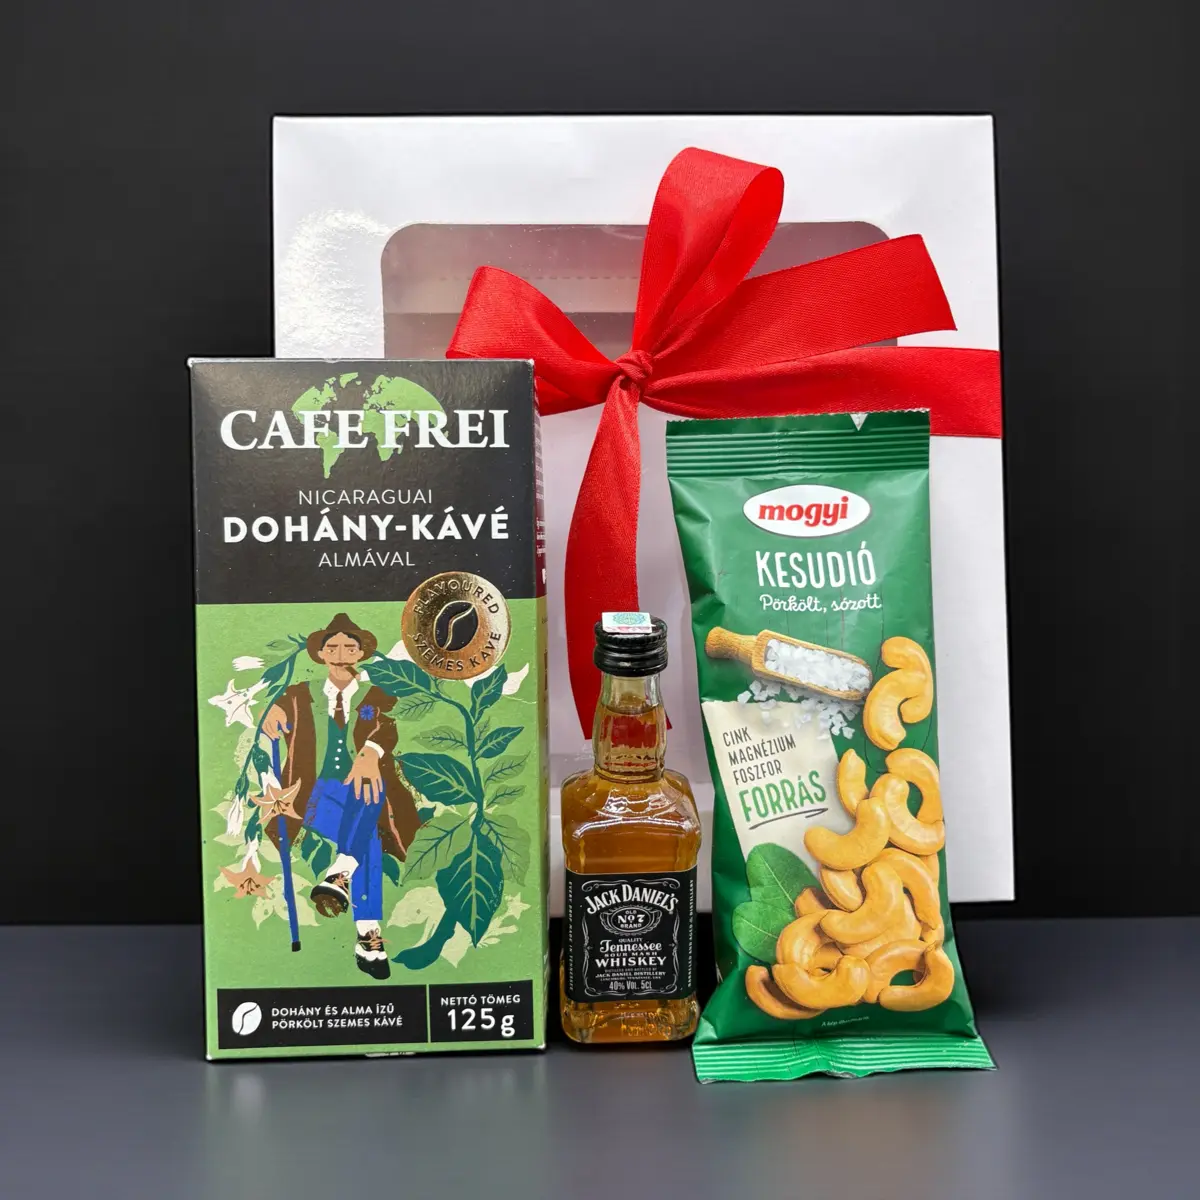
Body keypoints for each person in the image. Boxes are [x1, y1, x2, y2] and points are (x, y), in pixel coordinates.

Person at [261, 613, 421, 979]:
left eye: (350, 647)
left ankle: (346, 882)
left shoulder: (375, 694)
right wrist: (271, 713)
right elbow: (276, 710)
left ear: (361, 653)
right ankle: (366, 929)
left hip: (360, 790)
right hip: (309, 793)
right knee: (368, 838)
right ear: (320, 654)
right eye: (331, 647)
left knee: (370, 789)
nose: (340, 654)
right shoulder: (300, 694)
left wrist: (370, 753)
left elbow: (386, 727)